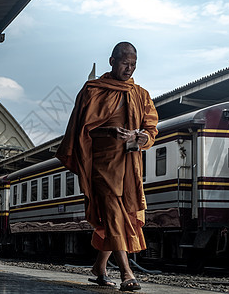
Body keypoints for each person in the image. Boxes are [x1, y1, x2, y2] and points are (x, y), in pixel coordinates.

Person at [55, 42, 158, 291]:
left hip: (130, 167)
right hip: (101, 165)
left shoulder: (140, 94)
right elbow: (81, 130)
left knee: (125, 217)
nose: (129, 69)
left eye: (133, 64)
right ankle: (126, 273)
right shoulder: (93, 90)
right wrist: (109, 130)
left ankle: (99, 267)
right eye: (125, 63)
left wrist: (146, 137)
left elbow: (151, 126)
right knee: (113, 215)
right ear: (112, 61)